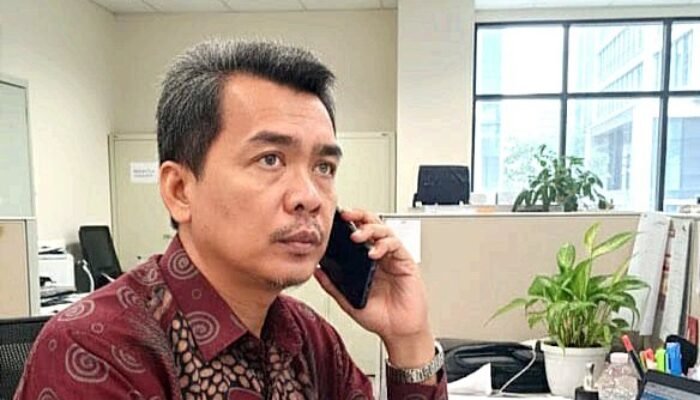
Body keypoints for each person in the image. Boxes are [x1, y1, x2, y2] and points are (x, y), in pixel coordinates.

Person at [16, 39, 447, 399]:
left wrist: (408, 339)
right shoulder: (96, 349)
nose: (310, 197)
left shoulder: (311, 341)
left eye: (323, 167)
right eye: (270, 159)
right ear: (179, 190)